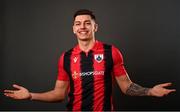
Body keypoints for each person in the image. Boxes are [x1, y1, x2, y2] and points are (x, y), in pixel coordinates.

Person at [4, 9, 176, 111]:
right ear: (73, 29)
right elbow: (58, 94)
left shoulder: (111, 52)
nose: (82, 27)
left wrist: (150, 91)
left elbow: (126, 87)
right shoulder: (66, 57)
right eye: (78, 24)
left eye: (87, 23)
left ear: (95, 27)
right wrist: (31, 96)